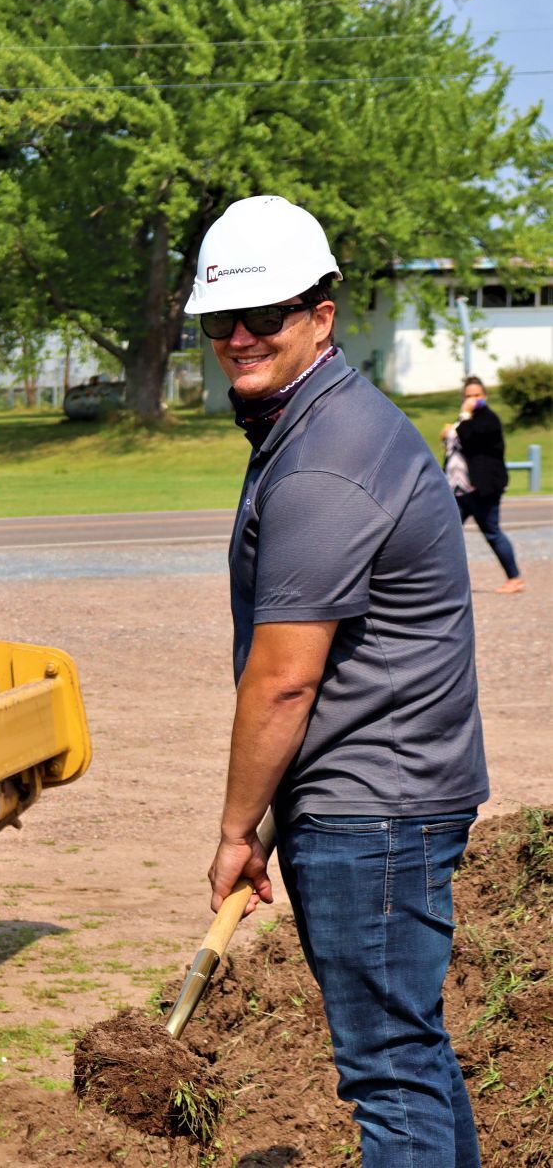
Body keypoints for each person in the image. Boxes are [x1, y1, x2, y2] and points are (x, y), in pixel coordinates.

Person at [194, 196, 487, 1165]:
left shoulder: (325, 459)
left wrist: (236, 829)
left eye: (264, 316)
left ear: (319, 314)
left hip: (373, 813)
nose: (237, 338)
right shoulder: (318, 423)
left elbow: (282, 678)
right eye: (217, 320)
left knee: (385, 1075)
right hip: (380, 795)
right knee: (408, 1053)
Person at [443, 375, 523, 593]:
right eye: (468, 396)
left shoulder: (488, 419)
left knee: (492, 533)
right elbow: (456, 449)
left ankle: (515, 578)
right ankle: (442, 584)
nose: (472, 399)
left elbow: (469, 439)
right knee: (446, 534)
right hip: (458, 490)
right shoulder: (465, 419)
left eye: (477, 395)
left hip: (481, 490)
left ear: (485, 396)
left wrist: (465, 416)